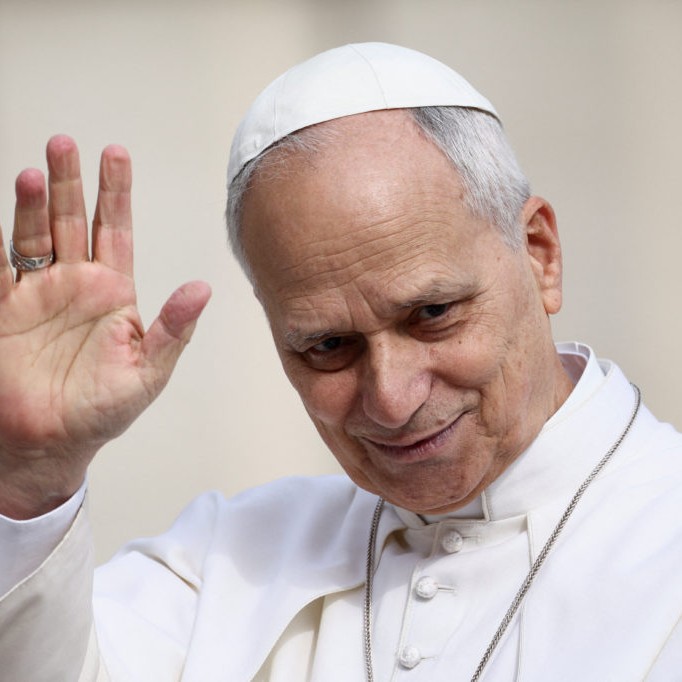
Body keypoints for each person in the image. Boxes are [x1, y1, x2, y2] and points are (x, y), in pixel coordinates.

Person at [0, 42, 680, 682]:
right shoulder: (227, 559)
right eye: (328, 347)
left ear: (538, 254)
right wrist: (31, 481)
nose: (391, 399)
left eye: (432, 314)